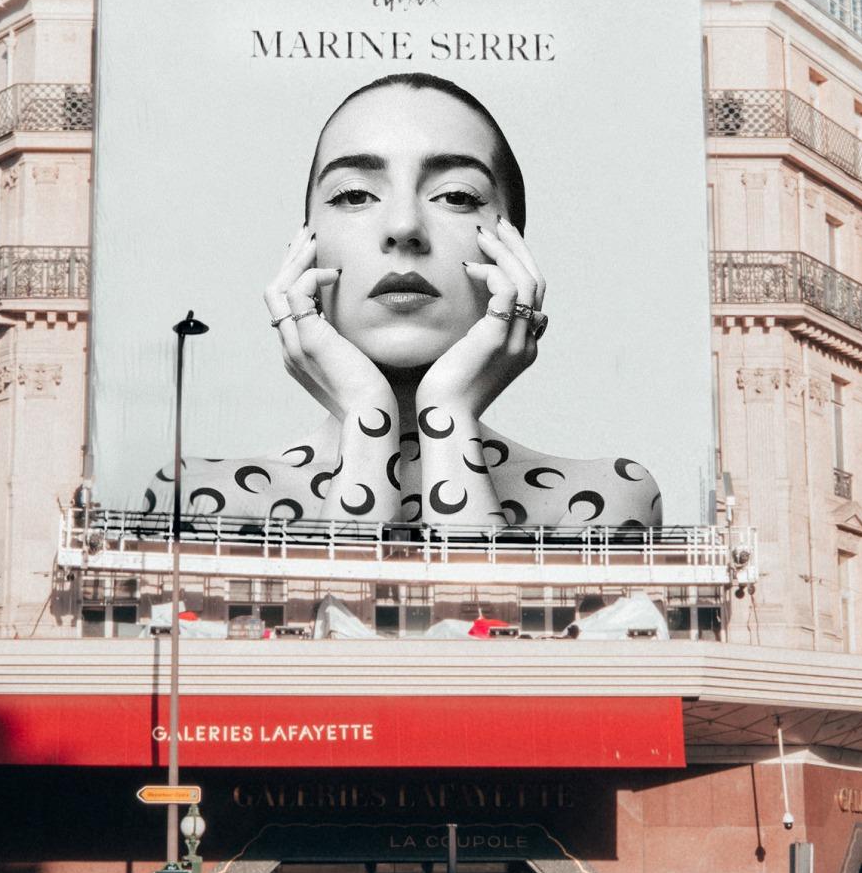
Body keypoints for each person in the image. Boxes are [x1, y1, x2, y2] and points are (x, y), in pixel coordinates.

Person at [164, 72, 662, 530]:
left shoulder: (608, 498)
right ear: (304, 247)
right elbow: (339, 626)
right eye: (355, 194)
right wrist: (365, 413)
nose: (404, 227)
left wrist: (449, 409)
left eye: (457, 196)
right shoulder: (200, 498)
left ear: (515, 252)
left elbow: (478, 625)